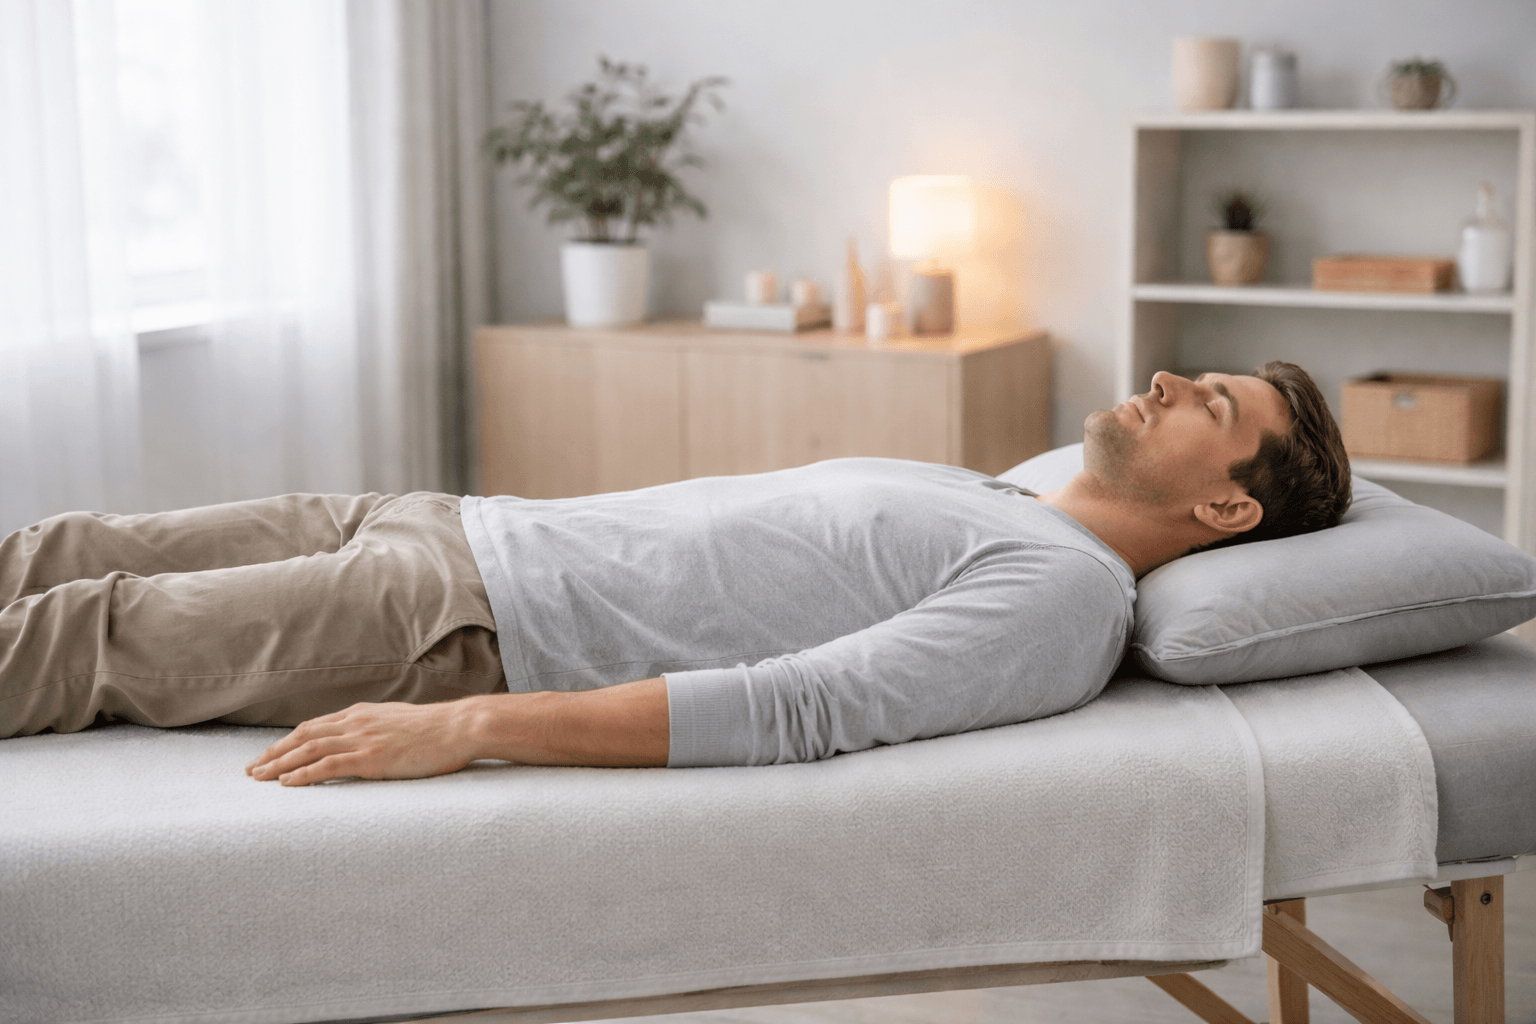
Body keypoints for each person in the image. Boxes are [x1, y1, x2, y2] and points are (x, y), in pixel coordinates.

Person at [0, 361, 1350, 784]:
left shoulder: (1063, 595)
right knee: (62, 550)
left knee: (82, 634)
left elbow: (801, 709)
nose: (1168, 379)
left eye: (1211, 405)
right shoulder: (1002, 495)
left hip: (457, 622)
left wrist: (466, 724)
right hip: (444, 525)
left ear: (1229, 504)